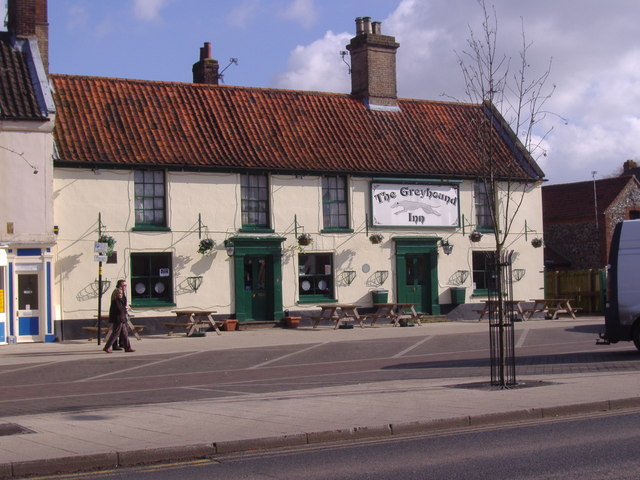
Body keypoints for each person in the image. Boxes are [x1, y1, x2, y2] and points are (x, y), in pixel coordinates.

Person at [103, 288, 135, 353]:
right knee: (115, 334)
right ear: (116, 294)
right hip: (118, 320)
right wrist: (125, 307)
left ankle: (127, 347)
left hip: (122, 319)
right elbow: (119, 310)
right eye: (119, 293)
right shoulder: (115, 301)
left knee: (125, 334)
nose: (120, 295)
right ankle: (107, 347)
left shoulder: (120, 300)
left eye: (121, 293)